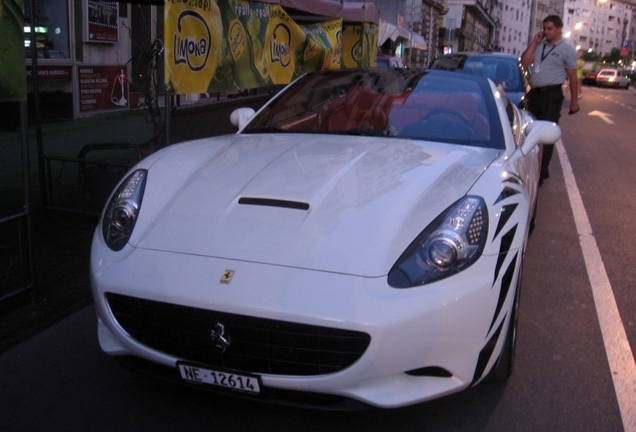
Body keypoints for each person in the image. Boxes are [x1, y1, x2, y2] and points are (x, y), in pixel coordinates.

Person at [521, 15, 580, 185]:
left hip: (551, 95)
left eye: (550, 28)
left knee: (545, 134)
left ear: (559, 29)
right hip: (535, 94)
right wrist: (534, 43)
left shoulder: (566, 50)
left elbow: (573, 78)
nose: (546, 31)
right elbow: (525, 62)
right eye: (544, 28)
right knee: (531, 132)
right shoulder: (540, 45)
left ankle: (541, 173)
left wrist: (574, 101)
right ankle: (531, 168)